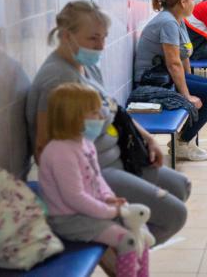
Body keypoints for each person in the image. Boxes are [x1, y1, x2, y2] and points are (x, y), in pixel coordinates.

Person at [26, 1, 189, 245]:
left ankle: (129, 244)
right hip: (98, 170)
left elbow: (114, 110)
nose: (101, 45)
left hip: (121, 155)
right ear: (67, 36)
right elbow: (43, 147)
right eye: (93, 38)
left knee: (181, 186)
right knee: (175, 215)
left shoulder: (87, 66)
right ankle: (127, 249)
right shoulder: (57, 79)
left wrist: (147, 139)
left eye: (103, 37)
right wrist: (87, 192)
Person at [39, 83, 150, 277]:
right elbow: (74, 198)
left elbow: (97, 179)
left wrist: (109, 198)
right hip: (69, 220)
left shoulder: (85, 143)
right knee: (127, 240)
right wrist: (109, 211)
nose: (101, 117)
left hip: (92, 210)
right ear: (73, 117)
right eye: (94, 113)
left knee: (141, 229)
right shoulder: (60, 152)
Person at [133, 0, 207, 161]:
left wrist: (190, 80)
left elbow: (184, 54)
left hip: (165, 75)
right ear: (183, 1)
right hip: (152, 80)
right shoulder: (167, 22)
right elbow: (173, 63)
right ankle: (181, 142)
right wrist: (187, 95)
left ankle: (184, 138)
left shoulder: (178, 19)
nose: (194, 2)